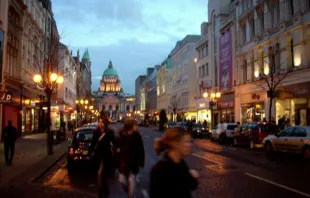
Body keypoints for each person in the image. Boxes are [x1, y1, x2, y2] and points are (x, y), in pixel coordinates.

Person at [149, 127, 199, 198]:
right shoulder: (160, 170)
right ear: (175, 143)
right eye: (187, 141)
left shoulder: (181, 163)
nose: (190, 145)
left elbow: (192, 185)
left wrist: (191, 176)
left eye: (191, 141)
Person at [116, 120, 145, 198]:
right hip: (124, 161)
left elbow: (141, 149)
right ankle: (128, 191)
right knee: (121, 181)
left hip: (134, 163)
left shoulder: (137, 136)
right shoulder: (122, 135)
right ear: (131, 127)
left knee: (131, 181)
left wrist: (141, 162)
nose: (137, 126)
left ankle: (130, 196)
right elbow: (118, 147)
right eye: (135, 125)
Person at [93, 118, 116, 198]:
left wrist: (117, 148)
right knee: (100, 174)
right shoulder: (96, 132)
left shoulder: (109, 132)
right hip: (98, 155)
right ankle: (103, 189)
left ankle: (103, 190)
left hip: (106, 156)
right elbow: (93, 143)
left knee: (102, 174)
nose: (100, 123)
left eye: (102, 122)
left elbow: (114, 142)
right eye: (99, 122)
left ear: (105, 123)